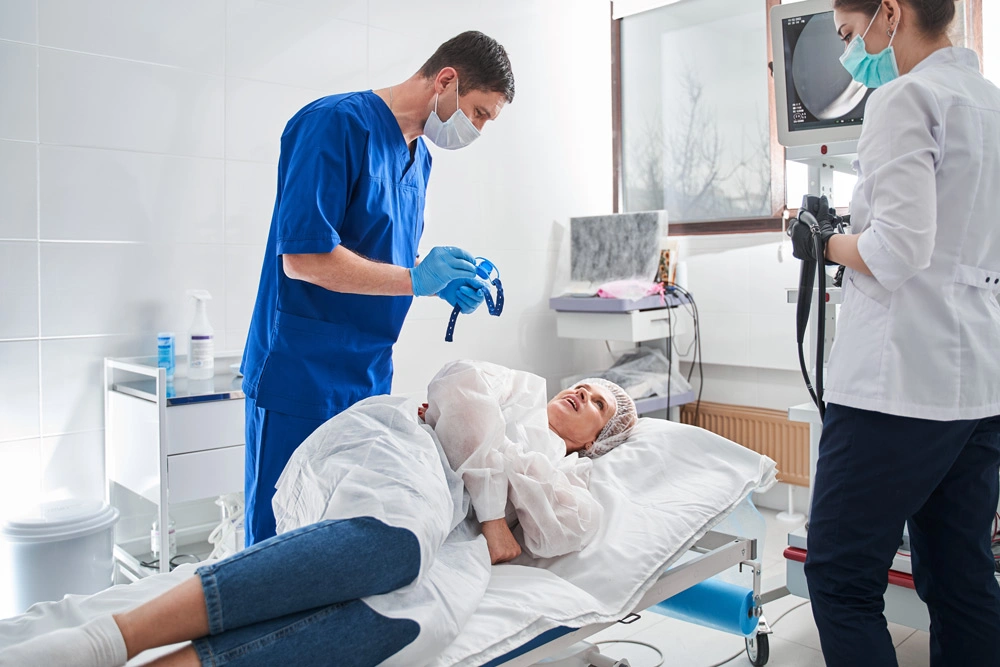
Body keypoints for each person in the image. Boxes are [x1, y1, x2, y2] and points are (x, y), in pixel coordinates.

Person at [0, 363, 637, 667]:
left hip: (453, 514)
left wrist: (492, 463)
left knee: (405, 622)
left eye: (599, 406)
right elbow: (457, 388)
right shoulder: (521, 387)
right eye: (586, 385)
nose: (584, 392)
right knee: (397, 548)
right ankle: (105, 640)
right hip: (407, 447)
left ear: (591, 443)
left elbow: (564, 528)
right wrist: (499, 507)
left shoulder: (567, 475)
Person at [239, 31, 516, 546]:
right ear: (447, 80)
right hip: (300, 373)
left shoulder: (421, 158)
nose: (476, 129)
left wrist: (441, 280)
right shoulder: (333, 124)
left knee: (339, 535)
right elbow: (304, 257)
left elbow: (375, 250)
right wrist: (416, 279)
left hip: (366, 375)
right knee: (276, 540)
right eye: (478, 113)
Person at [794, 1, 1000, 665]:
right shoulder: (992, 105)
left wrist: (825, 245)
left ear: (892, 11)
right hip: (979, 390)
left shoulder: (904, 98)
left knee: (839, 577)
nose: (854, 53)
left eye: (852, 34)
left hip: (898, 386)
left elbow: (898, 249)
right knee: (962, 578)